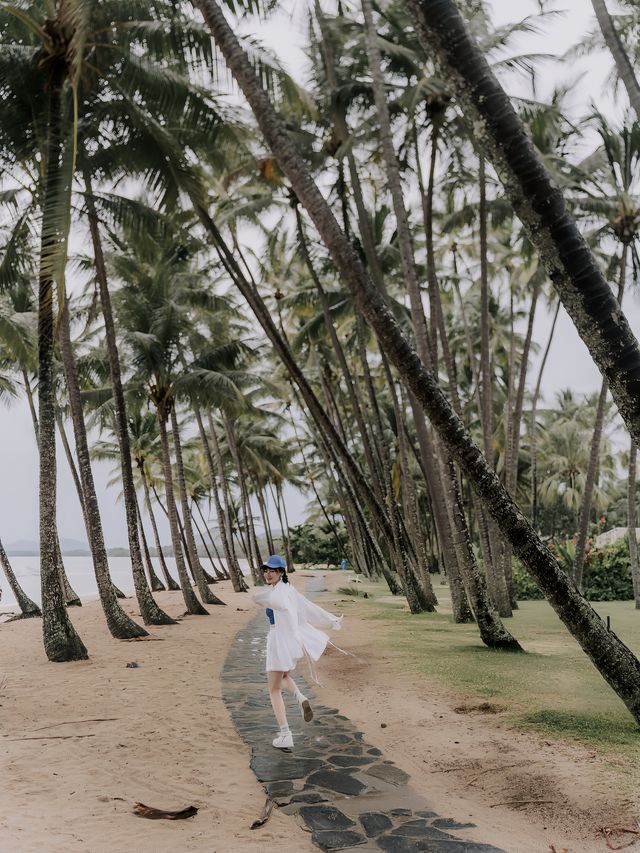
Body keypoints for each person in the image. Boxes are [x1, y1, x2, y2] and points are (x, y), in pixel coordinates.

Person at [252, 554, 343, 749]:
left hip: (278, 641)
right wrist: (330, 619)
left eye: (272, 570)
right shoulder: (287, 589)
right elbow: (308, 607)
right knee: (283, 676)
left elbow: (277, 602)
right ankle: (300, 697)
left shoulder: (281, 593)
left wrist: (262, 598)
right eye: (266, 570)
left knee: (273, 689)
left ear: (281, 572)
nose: (268, 574)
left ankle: (285, 734)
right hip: (286, 641)